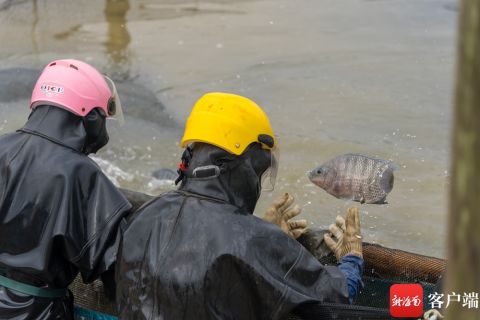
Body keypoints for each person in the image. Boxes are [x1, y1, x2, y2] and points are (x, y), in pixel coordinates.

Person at [116, 92, 364, 319]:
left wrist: (265, 234)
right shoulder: (254, 240)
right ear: (247, 166)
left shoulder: (144, 217)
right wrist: (351, 257)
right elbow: (336, 299)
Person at [0, 59, 132, 319]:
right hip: (38, 312)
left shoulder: (3, 146)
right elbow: (116, 270)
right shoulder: (85, 176)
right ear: (89, 116)